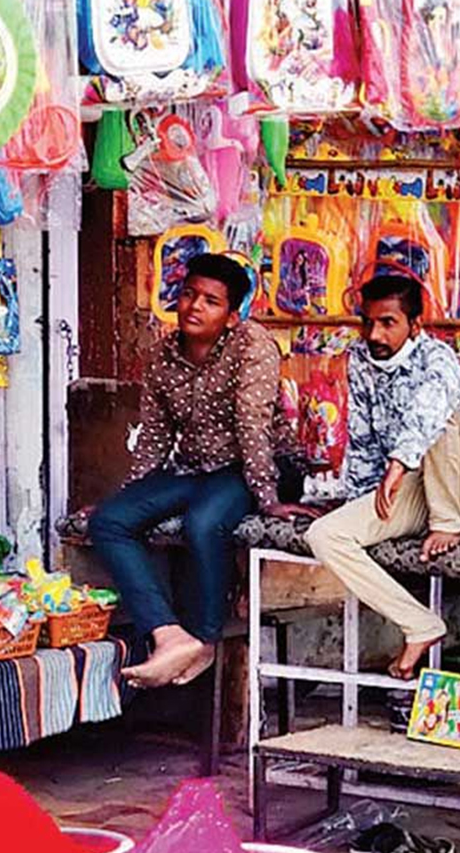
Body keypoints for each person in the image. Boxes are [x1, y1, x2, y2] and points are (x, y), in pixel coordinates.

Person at [90, 254, 314, 689]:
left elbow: (252, 423)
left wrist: (268, 499)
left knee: (204, 522)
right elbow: (155, 434)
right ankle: (168, 634)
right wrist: (130, 495)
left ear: (232, 316)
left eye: (211, 301)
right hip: (198, 468)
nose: (194, 306)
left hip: (262, 465)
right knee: (110, 520)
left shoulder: (253, 345)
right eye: (189, 294)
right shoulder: (161, 355)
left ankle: (206, 640)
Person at [303, 275, 460, 679]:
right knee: (325, 536)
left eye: (388, 323)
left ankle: (448, 523)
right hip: (415, 488)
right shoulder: (360, 359)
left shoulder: (438, 358)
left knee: (443, 416)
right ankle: (420, 624)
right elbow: (361, 439)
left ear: (415, 325)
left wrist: (398, 464)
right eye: (368, 322)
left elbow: (428, 413)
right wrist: (359, 503)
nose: (374, 334)